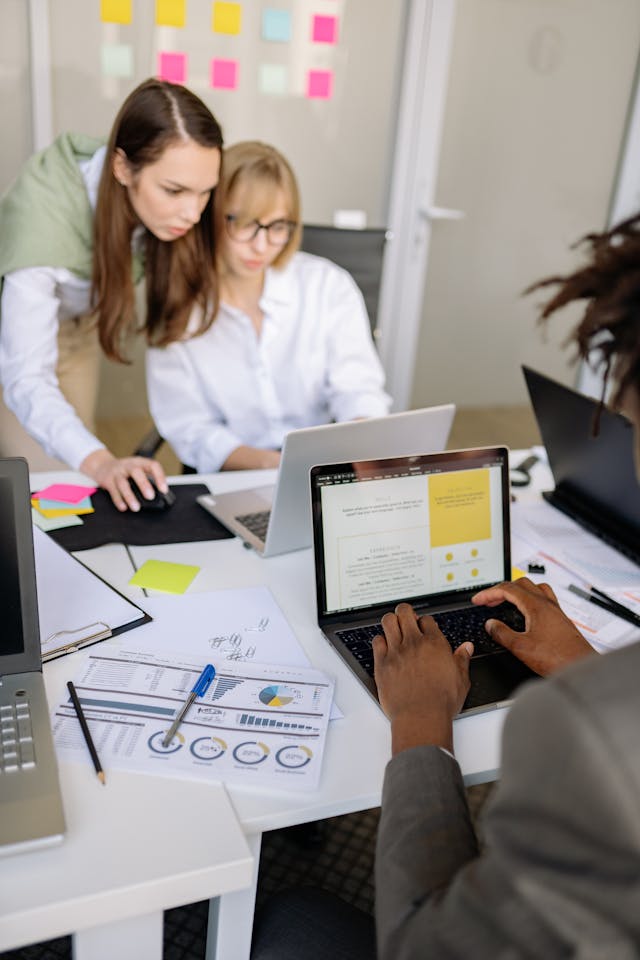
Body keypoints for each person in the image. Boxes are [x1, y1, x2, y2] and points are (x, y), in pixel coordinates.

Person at [250, 214, 640, 959]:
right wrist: (584, 664)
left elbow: (423, 945)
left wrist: (423, 722)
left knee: (289, 921)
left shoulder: (588, 736)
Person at [0, 78, 223, 510]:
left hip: (79, 326)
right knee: (48, 493)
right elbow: (26, 377)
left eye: (204, 192)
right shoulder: (40, 225)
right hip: (14, 340)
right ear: (122, 169)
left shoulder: (147, 166)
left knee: (77, 478)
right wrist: (102, 463)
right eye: (175, 191)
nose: (192, 213)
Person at [146, 140, 390, 473]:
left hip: (321, 470)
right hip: (234, 475)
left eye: (277, 227)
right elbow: (191, 428)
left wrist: (359, 446)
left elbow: (358, 390)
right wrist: (278, 466)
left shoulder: (328, 286)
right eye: (245, 224)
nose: (261, 246)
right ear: (210, 217)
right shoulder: (179, 310)